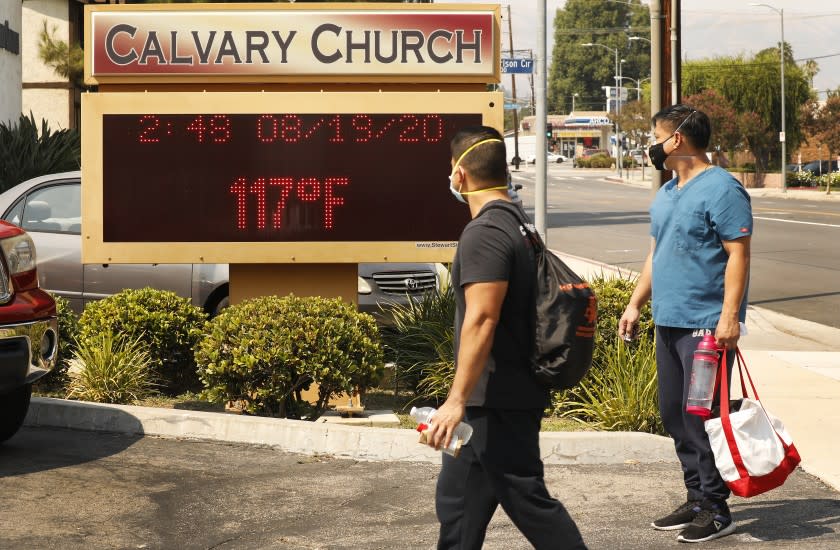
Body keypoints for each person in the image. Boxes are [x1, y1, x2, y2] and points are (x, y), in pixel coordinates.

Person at [422, 125, 587, 550]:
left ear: (460, 175)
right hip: (497, 397)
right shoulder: (518, 224)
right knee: (458, 509)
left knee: (528, 501)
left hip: (496, 401)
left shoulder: (486, 233)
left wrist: (456, 400)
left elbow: (482, 318)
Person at [618, 105, 752, 544]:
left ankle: (715, 508)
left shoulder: (722, 189)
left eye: (655, 135)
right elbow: (656, 254)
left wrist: (728, 318)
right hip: (669, 321)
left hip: (705, 327)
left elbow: (738, 254)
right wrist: (636, 304)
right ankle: (696, 497)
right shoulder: (669, 191)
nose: (651, 144)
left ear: (676, 139)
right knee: (673, 414)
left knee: (700, 417)